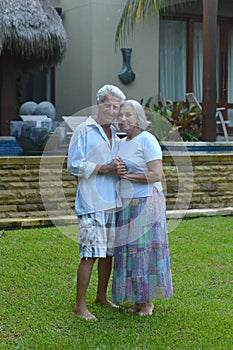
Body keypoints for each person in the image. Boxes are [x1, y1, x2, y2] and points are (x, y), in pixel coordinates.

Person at [67, 84, 126, 320]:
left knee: (108, 253)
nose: (112, 111)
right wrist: (104, 168)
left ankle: (101, 296)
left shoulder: (115, 133)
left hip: (112, 200)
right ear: (99, 104)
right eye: (108, 106)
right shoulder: (83, 130)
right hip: (91, 202)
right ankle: (80, 305)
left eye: (116, 107)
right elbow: (73, 165)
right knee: (90, 253)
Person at [112, 100, 173, 316]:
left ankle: (148, 302)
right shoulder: (120, 142)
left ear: (138, 117)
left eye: (128, 115)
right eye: (120, 115)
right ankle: (137, 299)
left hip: (147, 201)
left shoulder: (148, 140)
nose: (122, 119)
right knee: (130, 251)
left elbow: (156, 174)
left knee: (144, 250)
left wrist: (128, 176)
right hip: (127, 202)